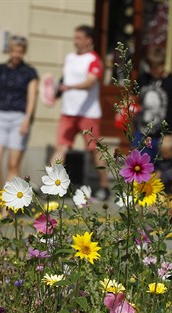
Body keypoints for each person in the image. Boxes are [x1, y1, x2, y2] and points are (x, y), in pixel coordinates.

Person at [49, 25, 111, 201]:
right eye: (74, 37)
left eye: (79, 37)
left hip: (88, 113)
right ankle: (53, 185)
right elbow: (64, 80)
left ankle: (104, 186)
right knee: (61, 147)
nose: (75, 40)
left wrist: (69, 87)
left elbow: (90, 83)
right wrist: (56, 93)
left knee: (94, 150)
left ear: (88, 40)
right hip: (68, 112)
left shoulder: (94, 60)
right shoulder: (69, 58)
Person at [0, 35, 38, 212]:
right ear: (9, 51)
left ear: (24, 52)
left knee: (13, 165)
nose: (17, 54)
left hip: (19, 118)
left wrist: (27, 119)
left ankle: (7, 204)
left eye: (20, 51)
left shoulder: (30, 72)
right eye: (14, 50)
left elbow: (32, 97)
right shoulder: (0, 69)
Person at [133, 47, 172, 164]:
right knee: (140, 167)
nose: (155, 70)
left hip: (163, 136)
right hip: (142, 133)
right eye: (152, 67)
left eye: (157, 67)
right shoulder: (143, 79)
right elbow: (132, 100)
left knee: (159, 172)